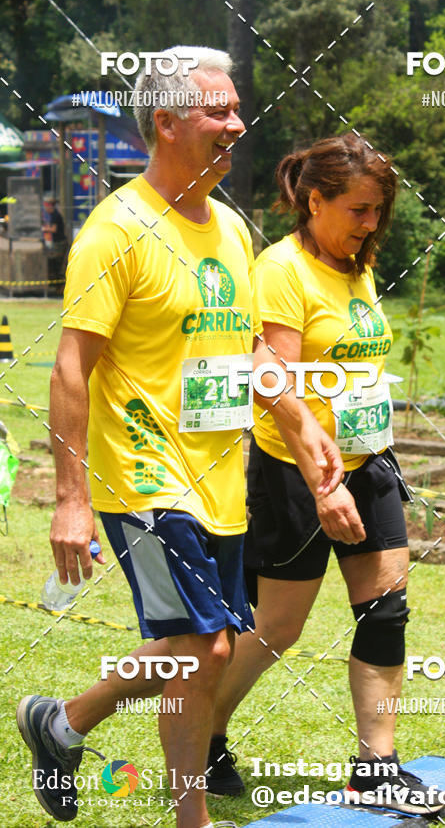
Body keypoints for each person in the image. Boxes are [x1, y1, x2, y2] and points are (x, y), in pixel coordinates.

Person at [16, 48, 351, 828]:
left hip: (219, 479)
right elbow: (72, 369)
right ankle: (188, 817)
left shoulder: (232, 230)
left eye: (236, 109)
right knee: (206, 649)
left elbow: (254, 354)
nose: (237, 124)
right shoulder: (116, 230)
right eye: (218, 112)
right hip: (143, 476)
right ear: (166, 123)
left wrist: (302, 432)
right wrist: (70, 500)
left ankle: (62, 724)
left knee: (206, 649)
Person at [206, 135, 445, 816]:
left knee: (386, 607)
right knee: (277, 628)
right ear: (315, 201)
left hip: (369, 460)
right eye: (359, 210)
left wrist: (357, 466)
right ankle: (205, 733)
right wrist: (324, 483)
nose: (371, 225)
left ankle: (377, 765)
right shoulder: (283, 269)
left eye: (379, 212)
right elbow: (275, 386)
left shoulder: (355, 266)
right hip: (294, 474)